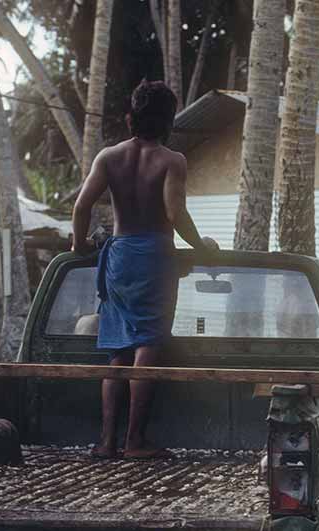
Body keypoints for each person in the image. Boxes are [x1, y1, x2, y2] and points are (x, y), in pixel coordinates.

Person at [72, 79, 219, 459]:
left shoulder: (108, 157)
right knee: (147, 344)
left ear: (129, 118)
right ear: (169, 122)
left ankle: (106, 441)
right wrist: (199, 244)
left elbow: (81, 207)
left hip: (119, 255)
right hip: (154, 254)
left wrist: (78, 245)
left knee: (117, 352)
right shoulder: (172, 161)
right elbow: (174, 213)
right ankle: (135, 441)